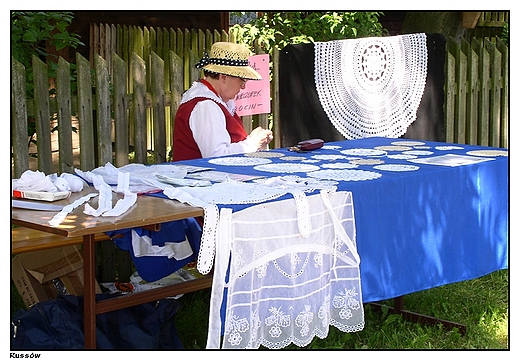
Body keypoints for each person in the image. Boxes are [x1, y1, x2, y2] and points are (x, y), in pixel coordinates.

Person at [173, 42, 273, 161]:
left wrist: (252, 140)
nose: (243, 87)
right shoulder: (206, 106)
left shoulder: (215, 101)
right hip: (200, 177)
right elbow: (216, 156)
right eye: (242, 80)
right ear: (223, 77)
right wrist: (252, 143)